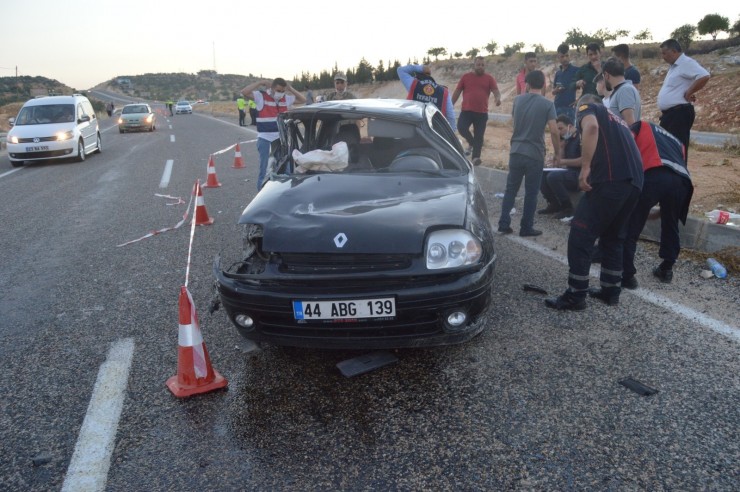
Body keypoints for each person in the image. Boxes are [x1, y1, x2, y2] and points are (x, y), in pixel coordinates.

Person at [545, 94, 643, 310]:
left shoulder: (589, 108)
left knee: (581, 234)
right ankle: (610, 290)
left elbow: (590, 128)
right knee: (613, 238)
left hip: (611, 180)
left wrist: (586, 167)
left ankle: (576, 294)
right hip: (635, 182)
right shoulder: (617, 121)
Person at [622, 121, 693, 288]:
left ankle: (627, 275)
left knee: (631, 225)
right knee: (671, 223)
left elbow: (626, 150)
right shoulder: (677, 141)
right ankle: (666, 268)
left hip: (654, 175)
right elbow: (673, 174)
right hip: (682, 181)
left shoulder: (640, 125)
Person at [497, 70, 559, 237]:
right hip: (535, 154)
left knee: (511, 190)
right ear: (544, 85)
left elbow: (515, 122)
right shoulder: (548, 105)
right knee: (531, 193)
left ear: (528, 85)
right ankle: (526, 227)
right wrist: (558, 153)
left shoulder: (517, 101)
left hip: (516, 151)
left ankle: (503, 223)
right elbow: (554, 131)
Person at [241, 78, 306, 190]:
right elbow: (244, 92)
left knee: (285, 168)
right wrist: (260, 82)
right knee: (265, 169)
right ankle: (261, 194)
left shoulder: (285, 99)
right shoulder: (261, 97)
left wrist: (290, 88)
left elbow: (303, 99)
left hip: (281, 139)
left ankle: (285, 192)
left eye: (282, 91)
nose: (280, 93)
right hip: (265, 139)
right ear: (271, 88)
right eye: (278, 90)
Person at [657, 38, 710, 162]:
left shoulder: (686, 63)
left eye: (665, 53)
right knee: (666, 147)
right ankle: (672, 177)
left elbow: (704, 75)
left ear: (674, 51)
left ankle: (681, 178)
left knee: (677, 147)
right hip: (670, 114)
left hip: (679, 113)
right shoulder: (674, 67)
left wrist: (690, 92)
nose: (663, 57)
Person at [452, 56, 501, 166]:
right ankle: (472, 143)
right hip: (466, 111)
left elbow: (496, 91)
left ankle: (476, 158)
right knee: (461, 128)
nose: (480, 67)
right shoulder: (465, 77)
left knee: (479, 136)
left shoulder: (489, 78)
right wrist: (450, 105)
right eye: (478, 64)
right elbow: (457, 92)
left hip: (482, 113)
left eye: (482, 65)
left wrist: (498, 99)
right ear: (474, 65)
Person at [538, 114, 582, 218]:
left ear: (570, 126)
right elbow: (560, 160)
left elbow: (583, 161)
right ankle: (554, 204)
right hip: (569, 171)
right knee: (542, 174)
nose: (559, 132)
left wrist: (562, 161)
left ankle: (568, 208)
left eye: (561, 128)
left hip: (580, 173)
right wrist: (561, 147)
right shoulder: (567, 139)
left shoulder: (580, 138)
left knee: (553, 177)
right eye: (557, 129)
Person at [397, 63, 456, 131]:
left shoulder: (413, 84)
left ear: (417, 75)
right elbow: (450, 115)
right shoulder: (443, 91)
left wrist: (421, 68)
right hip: (436, 131)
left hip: (415, 129)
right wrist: (452, 131)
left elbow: (400, 70)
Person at [601, 57, 641, 126]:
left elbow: (630, 124)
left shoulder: (624, 90)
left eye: (603, 77)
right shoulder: (622, 89)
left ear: (606, 75)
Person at [552, 43, 579, 122]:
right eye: (562, 56)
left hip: (569, 108)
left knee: (569, 132)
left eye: (567, 56)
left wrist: (579, 100)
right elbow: (553, 92)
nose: (565, 59)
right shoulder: (558, 73)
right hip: (556, 107)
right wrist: (556, 90)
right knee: (557, 132)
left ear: (570, 56)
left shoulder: (576, 70)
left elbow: (586, 85)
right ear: (558, 57)